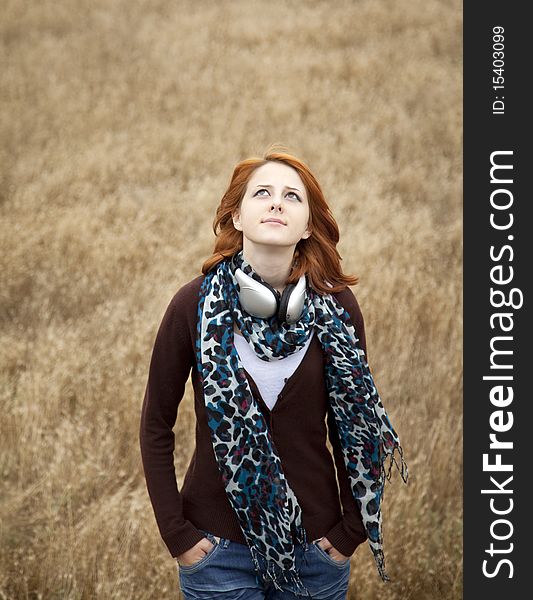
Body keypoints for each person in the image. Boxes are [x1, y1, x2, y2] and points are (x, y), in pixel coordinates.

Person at [139, 148, 408, 600]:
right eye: (262, 192)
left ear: (307, 225)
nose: (276, 202)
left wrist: (347, 535)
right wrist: (179, 536)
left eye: (291, 196)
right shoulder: (192, 305)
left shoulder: (338, 310)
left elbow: (356, 431)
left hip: (316, 554)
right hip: (217, 555)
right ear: (237, 216)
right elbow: (155, 425)